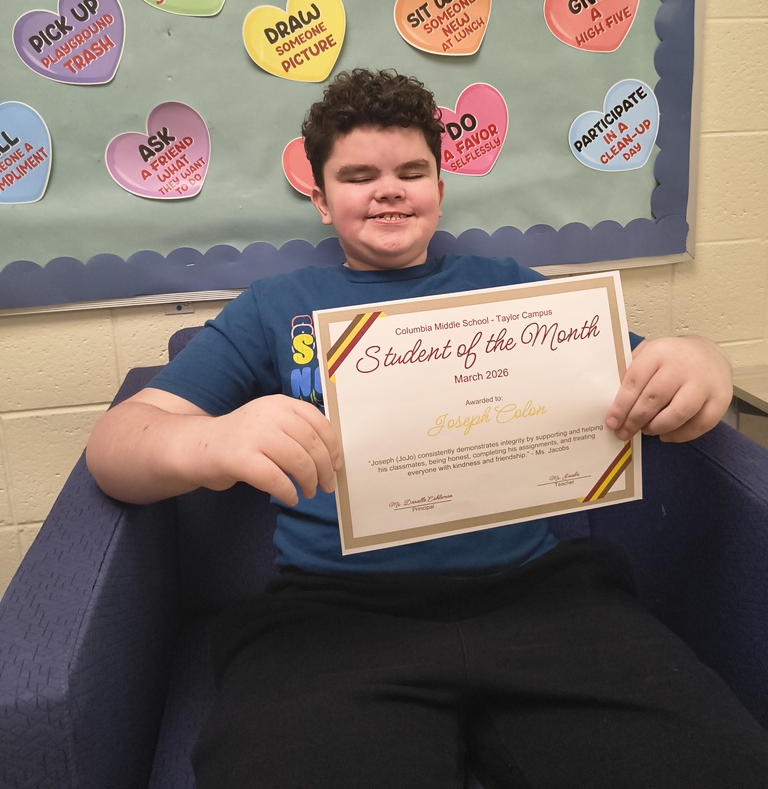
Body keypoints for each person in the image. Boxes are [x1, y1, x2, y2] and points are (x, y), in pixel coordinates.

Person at [87, 68, 766, 789]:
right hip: (332, 619)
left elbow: (656, 375)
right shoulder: (273, 307)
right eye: (357, 175)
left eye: (413, 171)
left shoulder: (508, 287)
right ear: (319, 199)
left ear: (439, 190)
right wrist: (207, 442)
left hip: (544, 598)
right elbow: (115, 448)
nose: (389, 188)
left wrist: (701, 360)